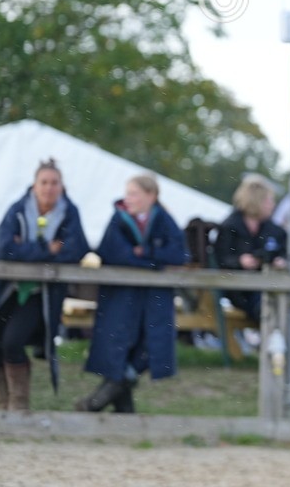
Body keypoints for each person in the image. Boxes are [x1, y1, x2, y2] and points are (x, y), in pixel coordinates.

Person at [0, 159, 89, 411]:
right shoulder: (19, 208)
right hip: (4, 289)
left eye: (54, 183)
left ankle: (19, 406)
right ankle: (3, 406)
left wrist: (24, 249)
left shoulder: (69, 213)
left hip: (40, 293)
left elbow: (76, 250)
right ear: (34, 185)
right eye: (44, 182)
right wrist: (46, 250)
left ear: (61, 186)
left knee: (13, 341)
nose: (49, 188)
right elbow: (2, 246)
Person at [77, 173, 189, 413]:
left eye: (134, 193)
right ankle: (121, 414)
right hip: (121, 297)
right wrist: (153, 261)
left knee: (147, 349)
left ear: (151, 196)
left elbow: (179, 254)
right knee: (119, 347)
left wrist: (145, 253)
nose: (128, 198)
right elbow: (115, 254)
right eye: (127, 193)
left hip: (152, 300)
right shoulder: (119, 219)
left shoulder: (163, 220)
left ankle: (97, 402)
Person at [214, 175, 290, 372]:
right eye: (269, 200)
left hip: (272, 287)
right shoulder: (229, 227)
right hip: (242, 292)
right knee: (278, 305)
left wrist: (280, 261)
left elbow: (288, 256)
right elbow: (220, 259)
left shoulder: (275, 230)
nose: (272, 205)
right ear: (257, 200)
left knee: (288, 301)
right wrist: (240, 261)